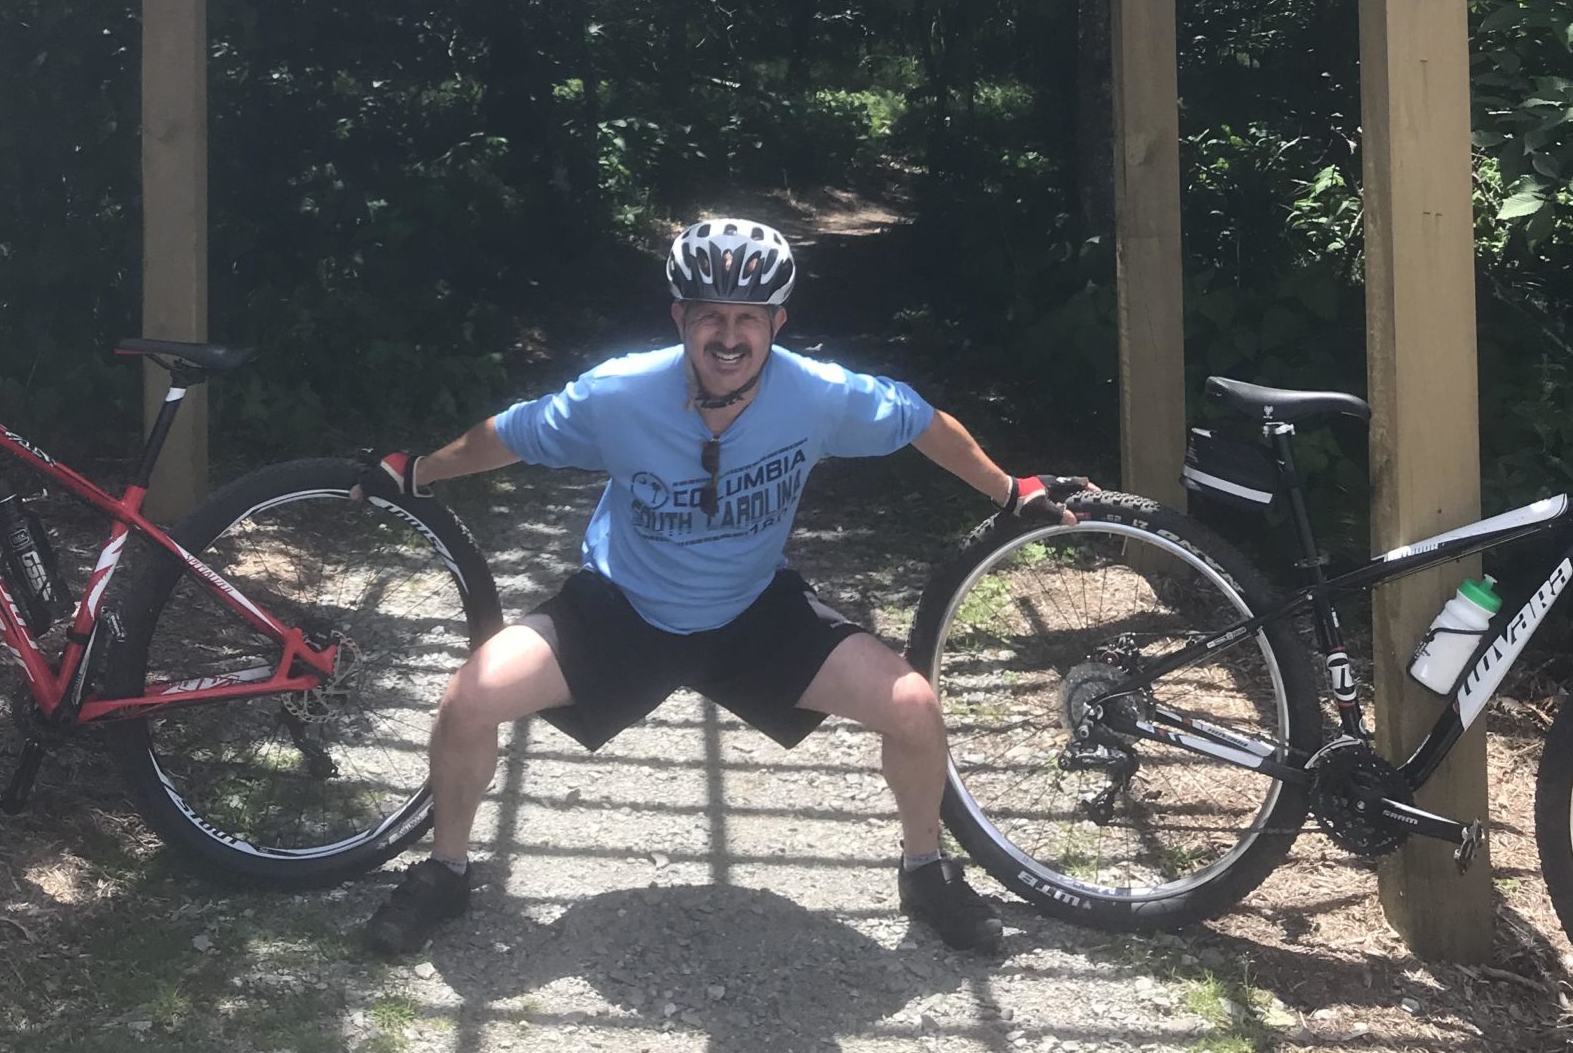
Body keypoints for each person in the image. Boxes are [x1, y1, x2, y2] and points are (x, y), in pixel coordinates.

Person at [357, 217, 1083, 962]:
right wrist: (417, 472)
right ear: (680, 319)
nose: (728, 337)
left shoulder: (819, 395)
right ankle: (445, 873)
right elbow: (509, 434)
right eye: (710, 316)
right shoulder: (619, 394)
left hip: (750, 609)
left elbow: (922, 421)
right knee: (467, 700)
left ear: (778, 323)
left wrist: (1008, 489)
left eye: (748, 318)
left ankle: (925, 872)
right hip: (622, 608)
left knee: (914, 709)